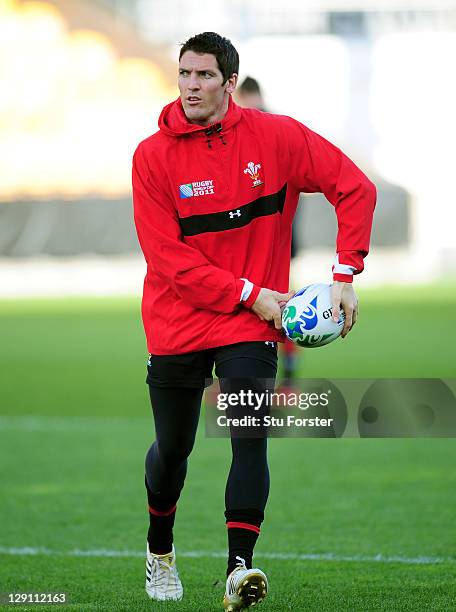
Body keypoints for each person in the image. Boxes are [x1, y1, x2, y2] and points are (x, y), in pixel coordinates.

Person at [132, 32, 376, 611]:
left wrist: (344, 275)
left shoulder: (278, 137)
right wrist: (250, 292)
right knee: (174, 447)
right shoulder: (152, 156)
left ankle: (240, 569)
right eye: (185, 74)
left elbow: (355, 189)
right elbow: (169, 259)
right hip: (180, 319)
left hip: (248, 325)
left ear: (229, 83)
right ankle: (159, 550)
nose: (191, 86)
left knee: (250, 436)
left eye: (204, 76)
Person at [235, 76, 300, 393]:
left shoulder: (267, 130)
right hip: (277, 237)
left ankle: (285, 382)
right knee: (265, 306)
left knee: (277, 309)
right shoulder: (271, 126)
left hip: (272, 239)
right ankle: (249, 381)